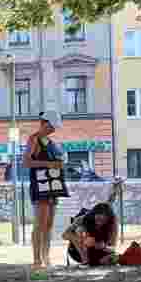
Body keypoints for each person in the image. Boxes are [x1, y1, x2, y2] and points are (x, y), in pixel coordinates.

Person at [25, 110, 69, 269]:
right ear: (43, 123)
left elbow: (57, 161)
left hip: (53, 187)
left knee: (49, 224)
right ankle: (37, 260)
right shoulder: (33, 139)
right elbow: (27, 162)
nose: (53, 130)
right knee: (40, 224)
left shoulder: (51, 143)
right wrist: (50, 164)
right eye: (51, 126)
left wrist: (60, 163)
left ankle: (46, 257)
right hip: (40, 187)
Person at [65, 202, 119, 266]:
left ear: (108, 218)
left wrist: (103, 246)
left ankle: (95, 261)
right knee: (79, 230)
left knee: (114, 258)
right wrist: (82, 240)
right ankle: (85, 260)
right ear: (93, 215)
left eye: (103, 220)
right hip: (78, 252)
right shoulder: (83, 219)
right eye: (97, 219)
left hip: (100, 251)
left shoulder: (112, 223)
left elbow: (112, 247)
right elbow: (65, 235)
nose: (99, 223)